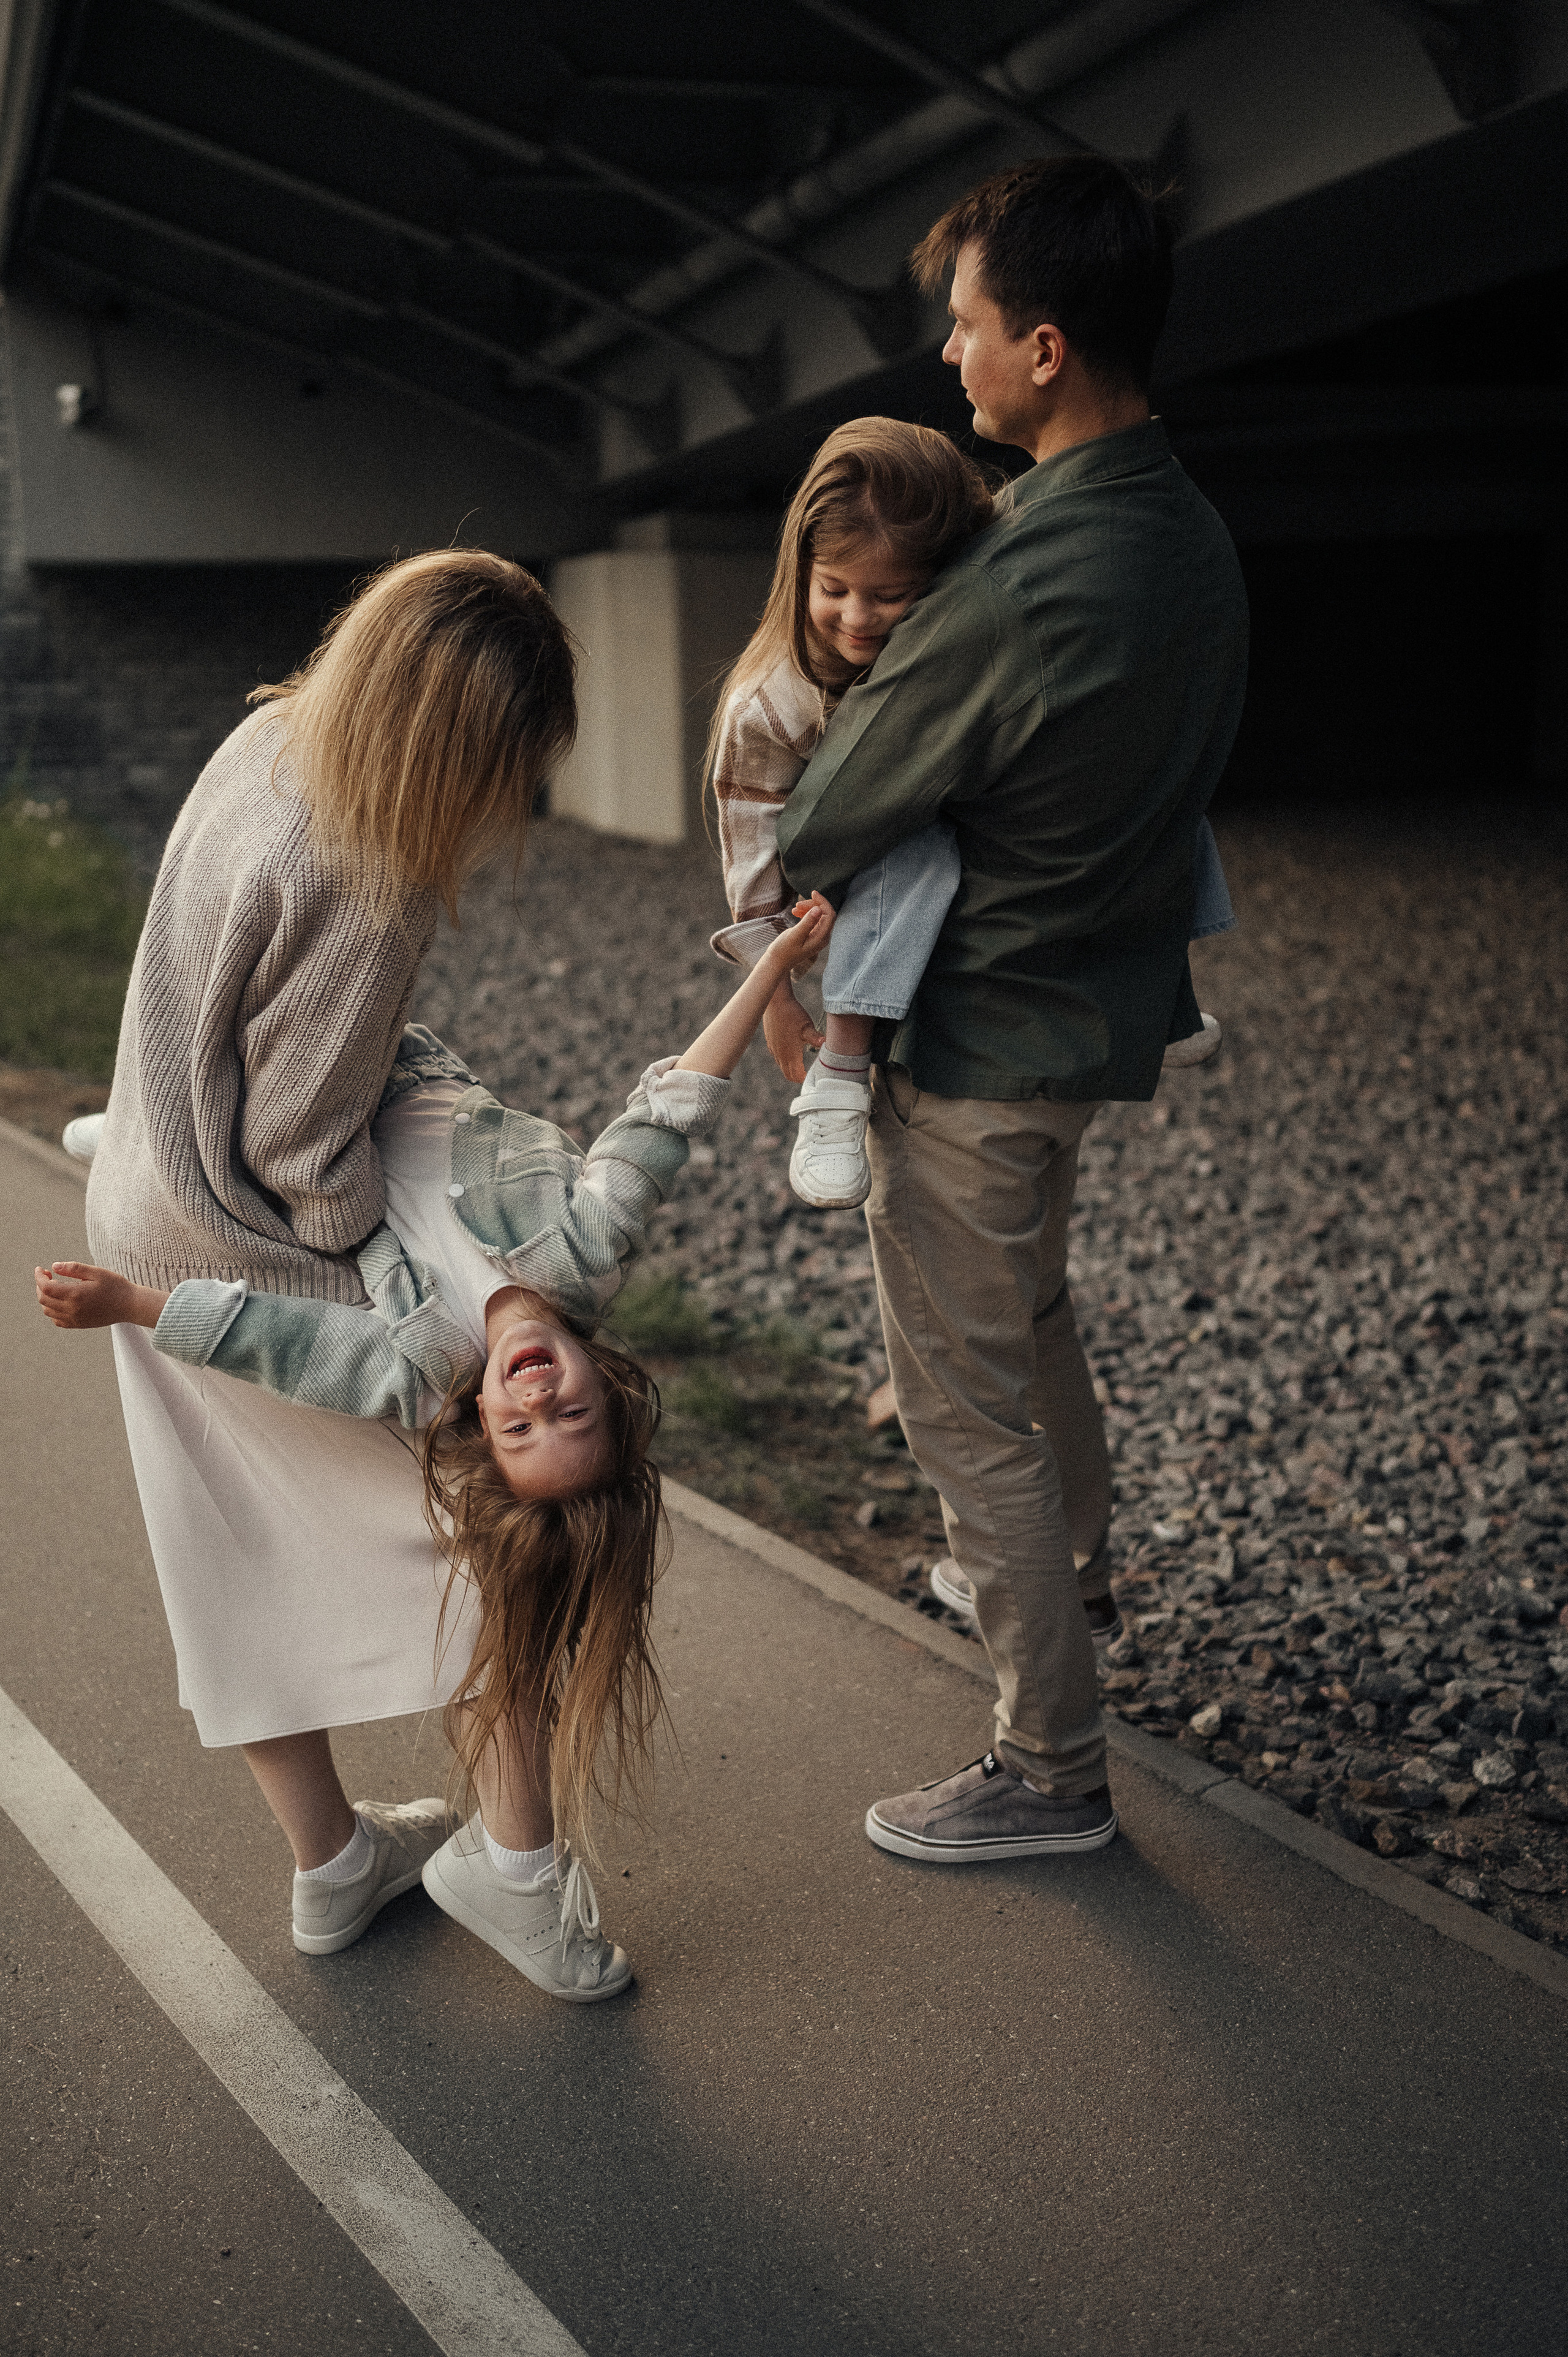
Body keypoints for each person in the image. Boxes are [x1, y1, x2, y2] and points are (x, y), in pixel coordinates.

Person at [40, 902, 836, 2001]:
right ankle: (134, 1132)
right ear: (610, 1384)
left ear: (480, 1427)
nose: (539, 1397)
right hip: (398, 1068)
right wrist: (774, 972)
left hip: (315, 1136)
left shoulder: (423, 1365)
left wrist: (135, 1301)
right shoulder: (584, 1250)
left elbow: (287, 1342)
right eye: (575, 1414)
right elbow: (672, 1106)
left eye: (520, 1429)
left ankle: (137, 1136)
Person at [774, 157, 1250, 1863]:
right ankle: (1076, 1579)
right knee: (1034, 1336)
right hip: (1089, 1028)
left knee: (969, 1409)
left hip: (976, 1052)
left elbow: (830, 816)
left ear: (1044, 346)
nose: (949, 364)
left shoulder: (1027, 575)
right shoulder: (1185, 535)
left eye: (966, 331)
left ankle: (1049, 1771)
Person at [71, 550, 578, 1962]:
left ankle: (335, 1865)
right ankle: (521, 1879)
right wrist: (403, 1267)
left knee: (228, 1554)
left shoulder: (269, 735)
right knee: (508, 1509)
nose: (511, 800)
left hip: (143, 1210)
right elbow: (303, 1144)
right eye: (513, 764)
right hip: (238, 1235)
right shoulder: (372, 868)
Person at [709, 418, 1233, 1214]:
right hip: (853, 862)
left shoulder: (956, 634)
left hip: (952, 803)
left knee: (1129, 770)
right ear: (800, 573)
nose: (858, 618)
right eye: (834, 590)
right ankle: (841, 1075)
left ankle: (1167, 993)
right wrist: (776, 985)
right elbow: (748, 839)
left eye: (890, 596)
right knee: (912, 848)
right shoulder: (770, 703)